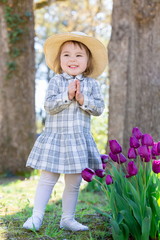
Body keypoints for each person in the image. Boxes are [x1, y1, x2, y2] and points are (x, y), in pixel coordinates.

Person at [23, 32, 107, 232]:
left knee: (74, 182)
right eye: (66, 55)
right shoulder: (57, 81)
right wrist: (67, 95)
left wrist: (81, 99)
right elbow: (49, 106)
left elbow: (99, 109)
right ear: (59, 60)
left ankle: (67, 219)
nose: (72, 59)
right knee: (47, 179)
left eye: (79, 55)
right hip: (56, 138)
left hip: (78, 140)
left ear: (88, 61)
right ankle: (37, 216)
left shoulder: (92, 84)